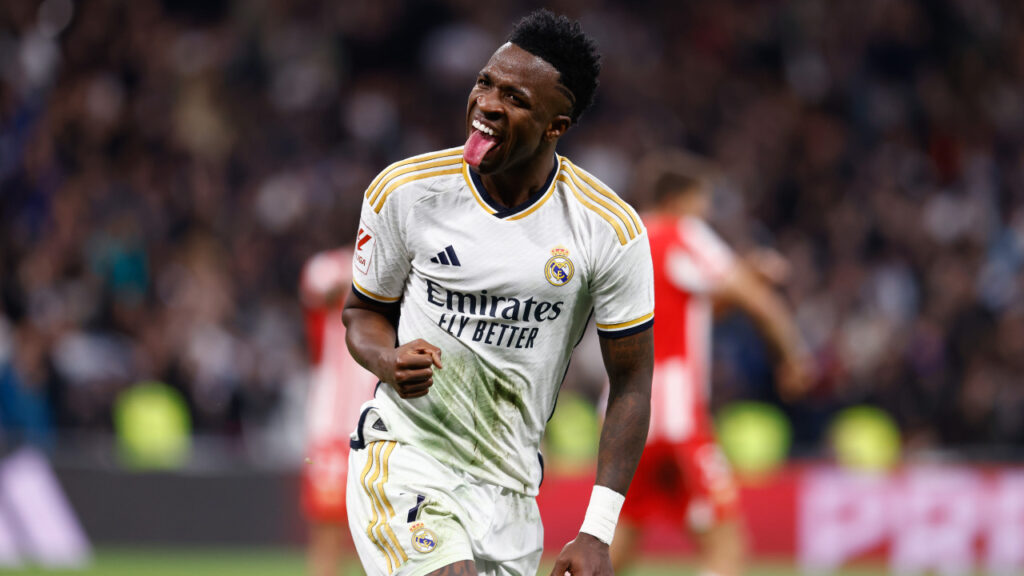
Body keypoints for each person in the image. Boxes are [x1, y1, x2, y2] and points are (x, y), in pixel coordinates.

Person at [341, 9, 654, 576]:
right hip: (407, 455)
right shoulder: (406, 191)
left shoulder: (608, 228)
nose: (486, 103)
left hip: (511, 493)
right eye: (485, 82)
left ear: (555, 126)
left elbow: (631, 381)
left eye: (514, 98)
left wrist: (597, 531)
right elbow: (362, 312)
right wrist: (386, 360)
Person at [608, 152, 813, 576]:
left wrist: (745, 274)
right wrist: (794, 357)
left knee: (617, 544)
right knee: (727, 546)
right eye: (702, 200)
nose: (707, 211)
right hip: (676, 415)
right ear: (678, 200)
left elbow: (688, 308)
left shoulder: (628, 240)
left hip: (624, 411)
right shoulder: (681, 232)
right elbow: (758, 302)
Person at [299, 246, 379, 576]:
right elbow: (318, 284)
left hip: (376, 429)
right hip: (331, 429)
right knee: (328, 532)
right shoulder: (331, 267)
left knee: (377, 535)